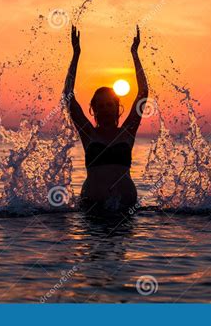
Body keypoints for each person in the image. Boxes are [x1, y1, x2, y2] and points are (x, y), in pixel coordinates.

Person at [63, 25, 148, 213]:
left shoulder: (127, 132)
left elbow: (143, 93)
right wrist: (76, 54)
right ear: (94, 110)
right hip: (92, 210)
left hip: (126, 212)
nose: (105, 110)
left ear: (117, 108)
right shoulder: (88, 133)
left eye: (109, 105)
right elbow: (68, 94)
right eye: (100, 106)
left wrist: (135, 53)